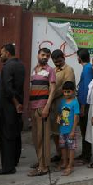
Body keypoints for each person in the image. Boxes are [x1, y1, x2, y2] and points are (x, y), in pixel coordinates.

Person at [0, 43, 25, 175]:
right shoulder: (20, 64)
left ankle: (8, 166)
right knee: (15, 133)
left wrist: (15, 103)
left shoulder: (8, 66)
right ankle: (14, 160)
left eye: (1, 53)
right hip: (17, 104)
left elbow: (8, 88)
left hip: (9, 105)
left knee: (6, 136)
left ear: (7, 53)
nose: (0, 56)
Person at [27, 47, 56, 177]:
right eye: (43, 55)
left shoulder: (50, 70)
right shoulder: (34, 70)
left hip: (42, 108)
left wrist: (46, 107)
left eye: (47, 56)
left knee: (43, 138)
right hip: (33, 108)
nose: (45, 57)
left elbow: (53, 90)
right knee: (36, 138)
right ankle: (40, 162)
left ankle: (43, 167)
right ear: (38, 55)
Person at [50, 49, 76, 163]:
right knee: (55, 130)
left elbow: (67, 87)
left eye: (59, 61)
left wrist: (51, 95)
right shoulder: (53, 70)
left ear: (63, 57)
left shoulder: (68, 69)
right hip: (54, 105)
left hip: (64, 105)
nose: (57, 63)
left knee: (65, 130)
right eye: (55, 62)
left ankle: (67, 158)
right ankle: (59, 153)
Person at [57, 81, 80, 176]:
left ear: (73, 91)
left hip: (71, 131)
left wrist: (73, 130)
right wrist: (58, 117)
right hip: (62, 130)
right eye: (65, 92)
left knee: (71, 148)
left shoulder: (75, 102)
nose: (66, 94)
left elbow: (76, 117)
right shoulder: (62, 101)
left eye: (68, 92)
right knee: (63, 147)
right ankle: (65, 163)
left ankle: (70, 165)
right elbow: (59, 113)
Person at [76, 48, 93, 164]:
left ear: (79, 57)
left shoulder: (87, 69)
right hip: (83, 103)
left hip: (85, 105)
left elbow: (87, 89)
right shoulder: (87, 68)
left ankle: (87, 156)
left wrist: (83, 106)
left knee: (85, 130)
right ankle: (84, 153)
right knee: (83, 130)